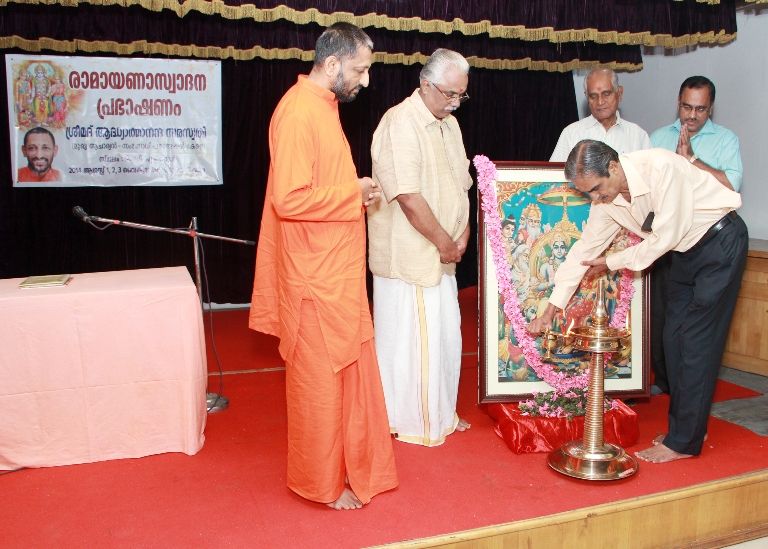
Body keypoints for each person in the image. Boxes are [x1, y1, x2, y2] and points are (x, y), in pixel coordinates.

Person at [248, 22, 398, 510]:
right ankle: (320, 484)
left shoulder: (323, 105)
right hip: (313, 279)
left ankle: (355, 466)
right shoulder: (298, 112)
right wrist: (352, 193)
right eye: (360, 70)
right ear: (332, 64)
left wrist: (354, 192)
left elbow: (318, 187)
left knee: (349, 379)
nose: (365, 81)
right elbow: (289, 199)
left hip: (336, 271)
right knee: (318, 387)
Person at [528, 139, 747, 464]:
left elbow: (666, 236)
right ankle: (690, 428)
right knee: (672, 340)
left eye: (597, 189)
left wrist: (612, 262)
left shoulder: (661, 167)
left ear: (614, 166)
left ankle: (684, 441)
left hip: (719, 243)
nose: (595, 198)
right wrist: (550, 309)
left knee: (696, 341)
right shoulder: (606, 201)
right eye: (588, 194)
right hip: (684, 253)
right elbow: (583, 252)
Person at [367, 48, 472, 447]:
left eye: (461, 95)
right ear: (425, 84)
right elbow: (408, 197)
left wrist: (463, 232)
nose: (456, 102)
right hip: (411, 256)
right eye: (450, 94)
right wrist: (445, 242)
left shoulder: (450, 124)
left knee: (444, 340)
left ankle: (441, 413)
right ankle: (407, 420)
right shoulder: (400, 122)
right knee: (411, 344)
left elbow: (462, 185)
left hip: (444, 254)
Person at [648, 76, 743, 396]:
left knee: (696, 324)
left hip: (708, 245)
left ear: (711, 108)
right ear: (678, 103)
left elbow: (730, 187)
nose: (692, 115)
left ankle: (688, 388)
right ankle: (666, 380)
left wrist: (692, 160)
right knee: (663, 318)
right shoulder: (659, 137)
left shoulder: (726, 140)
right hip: (668, 241)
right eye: (687, 107)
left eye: (700, 109)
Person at [549, 69, 651, 162]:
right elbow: (554, 174)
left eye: (606, 94)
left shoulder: (637, 136)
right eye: (593, 96)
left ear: (619, 94)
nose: (600, 102)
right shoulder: (571, 134)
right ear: (587, 97)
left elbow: (650, 174)